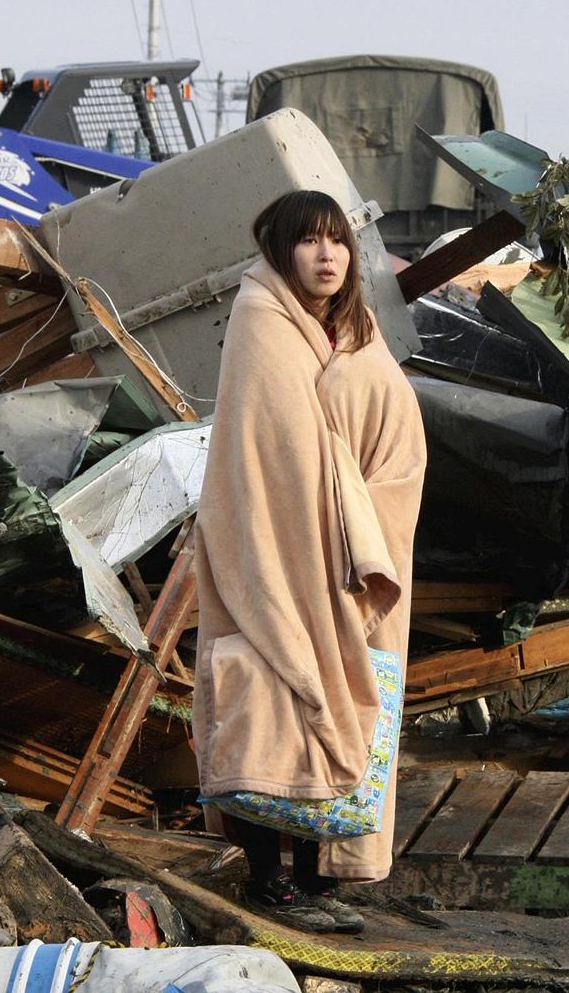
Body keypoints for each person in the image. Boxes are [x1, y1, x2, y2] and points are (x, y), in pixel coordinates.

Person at [192, 190, 426, 934]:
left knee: (336, 708)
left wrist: (366, 515)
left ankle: (315, 878)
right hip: (277, 546)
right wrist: (329, 521)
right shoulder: (264, 323)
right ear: (280, 251)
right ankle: (270, 880)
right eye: (310, 241)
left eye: (339, 242)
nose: (327, 255)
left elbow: (386, 431)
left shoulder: (354, 329)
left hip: (358, 551)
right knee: (273, 697)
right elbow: (279, 458)